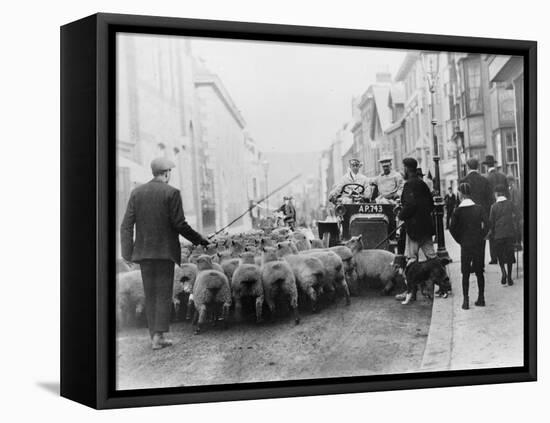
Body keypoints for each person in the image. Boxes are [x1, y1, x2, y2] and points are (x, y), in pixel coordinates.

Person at [120, 157, 210, 350]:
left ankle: (155, 334)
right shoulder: (172, 193)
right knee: (162, 294)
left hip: (143, 254)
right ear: (167, 173)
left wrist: (127, 253)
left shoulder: (137, 193)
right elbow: (179, 224)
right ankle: (158, 337)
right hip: (164, 253)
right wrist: (199, 239)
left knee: (150, 293)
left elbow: (126, 225)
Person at [449, 182, 489, 309]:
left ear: (460, 194)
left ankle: (466, 301)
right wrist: (482, 236)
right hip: (478, 244)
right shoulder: (479, 208)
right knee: (479, 271)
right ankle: (481, 298)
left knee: (465, 273)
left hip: (465, 245)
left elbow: (452, 228)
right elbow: (487, 224)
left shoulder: (457, 211)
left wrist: (460, 240)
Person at [398, 158, 437, 264]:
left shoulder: (408, 185)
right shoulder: (422, 184)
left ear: (406, 168)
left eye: (404, 168)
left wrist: (400, 215)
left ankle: (415, 280)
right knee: (432, 256)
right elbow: (431, 204)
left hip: (414, 230)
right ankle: (443, 279)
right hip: (426, 227)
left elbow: (410, 205)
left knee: (412, 259)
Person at [460, 157, 493, 265]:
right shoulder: (484, 180)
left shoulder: (463, 180)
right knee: (481, 239)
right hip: (481, 213)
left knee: (469, 238)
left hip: (467, 214)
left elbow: (460, 200)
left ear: (468, 167)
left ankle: (471, 263)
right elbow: (490, 199)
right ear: (477, 166)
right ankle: (480, 263)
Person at [488, 184, 520, 286]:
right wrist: (513, 221)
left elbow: (491, 222)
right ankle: (510, 277)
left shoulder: (493, 207)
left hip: (498, 235)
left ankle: (503, 272)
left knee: (500, 255)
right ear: (504, 193)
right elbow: (518, 214)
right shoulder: (510, 204)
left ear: (496, 194)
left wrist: (491, 233)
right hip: (510, 233)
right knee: (510, 255)